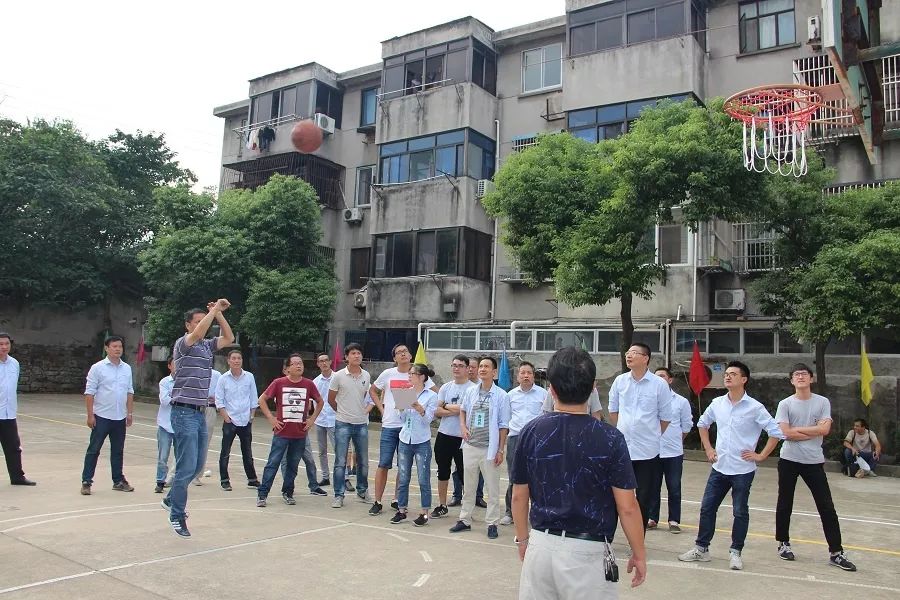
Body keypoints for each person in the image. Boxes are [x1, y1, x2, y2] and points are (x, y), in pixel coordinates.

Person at [512, 347, 646, 598]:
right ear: (593, 387)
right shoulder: (610, 437)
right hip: (588, 552)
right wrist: (639, 553)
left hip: (541, 545)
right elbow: (627, 506)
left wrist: (523, 539)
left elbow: (519, 495)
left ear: (551, 388)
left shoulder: (531, 431)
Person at [678, 361, 784, 570]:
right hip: (719, 467)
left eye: (733, 374)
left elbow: (775, 432)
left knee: (740, 512)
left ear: (744, 379)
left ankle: (736, 552)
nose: (727, 376)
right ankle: (702, 548)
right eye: (726, 374)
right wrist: (708, 448)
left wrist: (761, 455)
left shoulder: (755, 407)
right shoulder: (718, 403)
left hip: (742, 470)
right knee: (707, 508)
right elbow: (702, 424)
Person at [773, 363, 857, 570]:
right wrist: (813, 430)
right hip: (789, 460)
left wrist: (798, 431)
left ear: (811, 379)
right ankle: (783, 543)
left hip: (813, 461)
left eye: (804, 374)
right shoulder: (785, 404)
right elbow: (785, 433)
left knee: (826, 506)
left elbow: (825, 430)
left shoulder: (822, 402)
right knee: (785, 503)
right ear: (791, 380)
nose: (801, 377)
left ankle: (836, 552)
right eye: (796, 375)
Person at [163, 300, 234, 538]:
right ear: (188, 325)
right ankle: (177, 515)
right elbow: (198, 332)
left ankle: (171, 498)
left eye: (202, 320)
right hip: (183, 412)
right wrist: (213, 311)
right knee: (185, 467)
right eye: (196, 321)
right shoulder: (184, 343)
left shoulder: (206, 346)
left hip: (200, 412)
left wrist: (219, 314)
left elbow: (229, 338)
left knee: (197, 466)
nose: (201, 324)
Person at [608, 343, 672, 532]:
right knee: (615, 494)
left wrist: (651, 434)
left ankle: (638, 538)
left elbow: (665, 417)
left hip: (647, 452)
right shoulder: (620, 381)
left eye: (634, 353)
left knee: (643, 498)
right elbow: (613, 410)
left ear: (646, 358)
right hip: (623, 450)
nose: (629, 355)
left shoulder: (659, 384)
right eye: (628, 352)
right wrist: (623, 431)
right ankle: (608, 537)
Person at [369, 343, 436, 516]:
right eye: (399, 352)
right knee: (384, 463)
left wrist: (426, 408)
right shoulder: (388, 374)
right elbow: (373, 391)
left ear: (410, 355)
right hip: (390, 424)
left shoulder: (418, 373)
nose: (403, 354)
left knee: (403, 467)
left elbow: (435, 394)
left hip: (409, 427)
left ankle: (397, 499)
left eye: (405, 351)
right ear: (394, 358)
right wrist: (382, 409)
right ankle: (377, 501)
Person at [449, 356, 510, 539]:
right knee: (469, 486)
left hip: (489, 449)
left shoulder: (502, 395)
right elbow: (463, 410)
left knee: (492, 489)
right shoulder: (471, 391)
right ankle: (464, 520)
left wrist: (500, 450)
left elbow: (503, 425)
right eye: (481, 366)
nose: (482, 369)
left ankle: (492, 523)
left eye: (486, 367)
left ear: (494, 372)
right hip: (470, 446)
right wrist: (463, 427)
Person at [255, 354, 323, 507]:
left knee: (293, 466)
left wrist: (312, 419)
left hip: (300, 434)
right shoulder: (279, 383)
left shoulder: (308, 384)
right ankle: (262, 494)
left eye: (301, 363)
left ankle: (288, 492)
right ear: (288, 368)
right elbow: (262, 399)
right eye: (295, 363)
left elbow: (320, 401)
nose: (299, 366)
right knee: (272, 463)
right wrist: (271, 418)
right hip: (281, 433)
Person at [81, 335, 134, 495]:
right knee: (94, 449)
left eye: (120, 346)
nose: (118, 349)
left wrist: (129, 413)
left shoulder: (126, 368)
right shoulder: (98, 368)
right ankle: (86, 481)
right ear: (106, 348)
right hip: (102, 416)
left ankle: (118, 480)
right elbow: (90, 392)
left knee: (118, 450)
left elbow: (129, 391)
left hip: (119, 417)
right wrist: (90, 415)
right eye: (114, 346)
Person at [391, 363, 439, 526]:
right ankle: (401, 510)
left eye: (412, 374)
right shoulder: (406, 391)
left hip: (421, 441)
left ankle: (424, 512)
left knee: (423, 478)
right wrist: (401, 409)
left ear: (422, 377)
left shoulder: (431, 396)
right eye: (409, 374)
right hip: (405, 438)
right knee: (403, 477)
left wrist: (420, 409)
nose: (409, 376)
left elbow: (429, 420)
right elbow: (402, 419)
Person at [647, 367, 693, 533]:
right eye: (656, 376)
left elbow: (686, 425)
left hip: (673, 452)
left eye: (662, 376)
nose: (658, 379)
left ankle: (674, 520)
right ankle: (652, 518)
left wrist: (676, 440)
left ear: (670, 380)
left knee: (674, 487)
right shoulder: (650, 400)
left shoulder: (681, 401)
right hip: (653, 451)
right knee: (653, 487)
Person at [501, 362, 547, 526]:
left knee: (537, 477)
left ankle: (537, 513)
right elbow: (505, 420)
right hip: (515, 439)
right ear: (518, 376)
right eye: (522, 373)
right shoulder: (510, 395)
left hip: (536, 440)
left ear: (533, 375)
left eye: (529, 373)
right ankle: (510, 512)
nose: (526, 376)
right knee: (514, 477)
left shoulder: (543, 394)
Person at [431, 354, 476, 518]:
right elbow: (436, 411)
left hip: (464, 437)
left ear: (467, 368)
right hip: (444, 435)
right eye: (454, 365)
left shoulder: (473, 388)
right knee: (443, 471)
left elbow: (470, 410)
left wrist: (447, 406)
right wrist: (458, 410)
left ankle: (467, 510)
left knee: (465, 474)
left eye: (460, 366)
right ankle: (442, 505)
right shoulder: (445, 387)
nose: (456, 368)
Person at [328, 343, 373, 508]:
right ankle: (339, 495)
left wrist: (364, 411)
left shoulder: (366, 375)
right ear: (346, 357)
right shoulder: (338, 376)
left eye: (359, 353)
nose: (357, 356)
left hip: (361, 424)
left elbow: (367, 397)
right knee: (340, 461)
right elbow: (331, 399)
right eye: (353, 353)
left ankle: (362, 490)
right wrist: (341, 412)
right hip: (343, 423)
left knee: (363, 460)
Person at [277, 360, 328, 497]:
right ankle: (288, 487)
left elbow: (314, 403)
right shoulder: (281, 386)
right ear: (286, 370)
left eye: (299, 364)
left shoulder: (305, 385)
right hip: (285, 431)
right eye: (289, 367)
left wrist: (311, 419)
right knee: (285, 461)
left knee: (309, 459)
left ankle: (314, 485)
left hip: (301, 430)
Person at [215, 349, 259, 491]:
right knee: (225, 452)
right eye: (233, 358)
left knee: (247, 452)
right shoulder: (223, 379)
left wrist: (251, 416)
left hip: (245, 420)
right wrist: (226, 417)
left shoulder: (249, 377)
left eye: (239, 358)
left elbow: (254, 397)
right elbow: (219, 400)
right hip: (230, 420)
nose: (236, 361)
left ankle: (252, 479)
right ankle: (224, 480)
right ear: (228, 361)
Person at [449, 356, 486, 509]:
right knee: (459, 467)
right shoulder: (458, 385)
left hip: (478, 433)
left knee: (480, 468)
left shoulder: (483, 387)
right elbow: (461, 408)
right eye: (468, 367)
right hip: (458, 433)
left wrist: (449, 407)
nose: (470, 370)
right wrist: (450, 407)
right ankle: (457, 495)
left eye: (473, 367)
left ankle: (478, 496)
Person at [0, 332, 36, 486]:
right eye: (0, 344)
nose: (4, 347)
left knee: (14, 447)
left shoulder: (14, 363)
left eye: (6, 344)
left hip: (9, 414)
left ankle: (17, 477)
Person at [193, 367, 221, 486]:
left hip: (209, 408)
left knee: (204, 443)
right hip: (193, 408)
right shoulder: (192, 371)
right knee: (187, 441)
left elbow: (221, 393)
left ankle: (197, 475)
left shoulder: (217, 375)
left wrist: (216, 399)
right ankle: (175, 474)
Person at [313, 354, 336, 487]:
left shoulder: (338, 378)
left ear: (330, 362)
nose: (324, 363)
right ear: (318, 364)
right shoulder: (315, 382)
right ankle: (325, 476)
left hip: (334, 419)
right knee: (322, 451)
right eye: (321, 361)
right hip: (320, 419)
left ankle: (344, 477)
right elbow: (312, 401)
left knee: (339, 450)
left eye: (326, 360)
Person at [155, 358, 175, 493]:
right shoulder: (165, 382)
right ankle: (160, 481)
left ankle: (178, 481)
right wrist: (178, 399)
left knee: (181, 456)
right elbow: (164, 400)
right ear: (169, 366)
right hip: (165, 424)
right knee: (163, 456)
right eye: (175, 364)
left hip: (181, 424)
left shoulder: (187, 382)